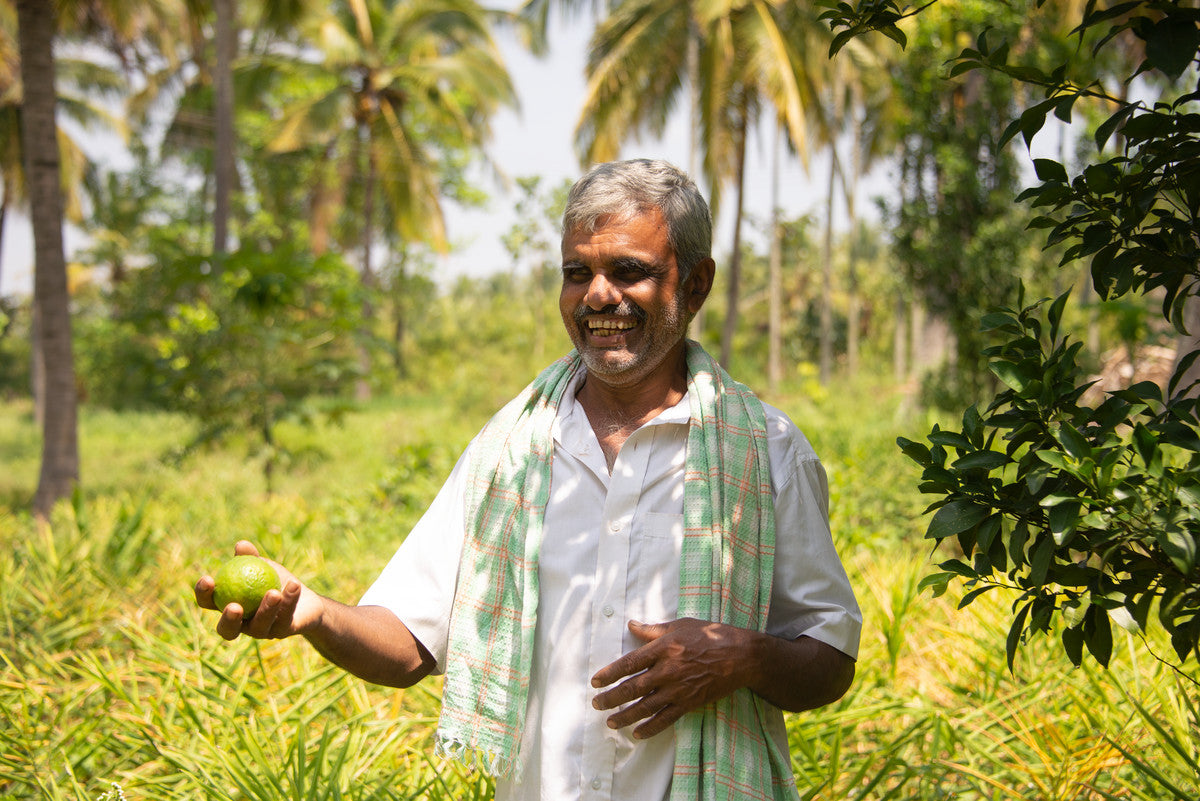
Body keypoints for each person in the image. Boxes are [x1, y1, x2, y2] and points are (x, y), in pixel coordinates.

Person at [196, 158, 861, 801]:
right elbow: (409, 643)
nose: (597, 294)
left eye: (628, 271)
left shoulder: (767, 453)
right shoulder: (511, 451)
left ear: (695, 285)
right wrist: (314, 613)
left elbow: (829, 656)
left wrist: (742, 657)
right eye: (577, 272)